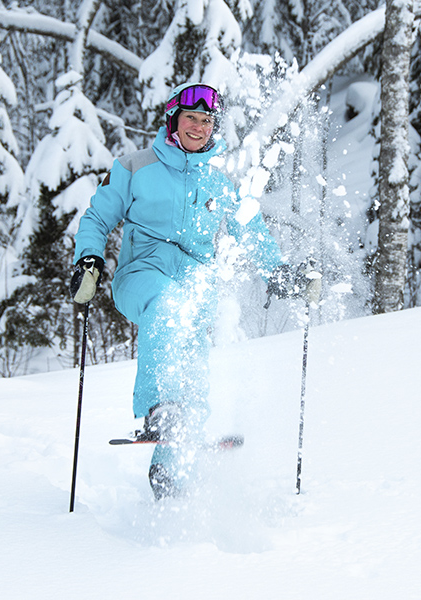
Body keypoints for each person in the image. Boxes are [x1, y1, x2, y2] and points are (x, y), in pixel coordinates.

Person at [69, 82, 313, 500]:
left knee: (195, 346)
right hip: (141, 278)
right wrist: (89, 259)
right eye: (190, 119)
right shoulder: (135, 167)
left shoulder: (218, 183)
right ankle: (158, 410)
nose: (198, 127)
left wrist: (279, 273)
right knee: (169, 306)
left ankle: (173, 462)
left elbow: (250, 229)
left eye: (205, 121)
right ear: (173, 122)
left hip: (195, 283)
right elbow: (96, 218)